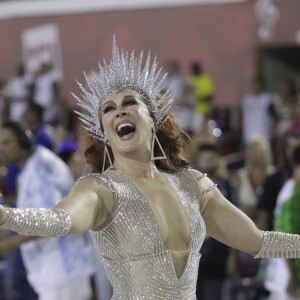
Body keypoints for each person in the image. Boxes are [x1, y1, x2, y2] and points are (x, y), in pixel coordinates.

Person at [0, 37, 299, 300]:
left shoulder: (192, 184)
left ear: (153, 118)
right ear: (103, 131)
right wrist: (8, 216)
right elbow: (61, 219)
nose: (120, 110)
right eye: (109, 108)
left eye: (129, 102)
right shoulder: (100, 190)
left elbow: (258, 241)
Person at [0, 121, 96, 300]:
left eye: (6, 143)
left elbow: (52, 221)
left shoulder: (40, 170)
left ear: (22, 141)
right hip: (57, 270)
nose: (1, 149)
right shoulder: (33, 165)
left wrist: (10, 244)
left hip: (63, 269)